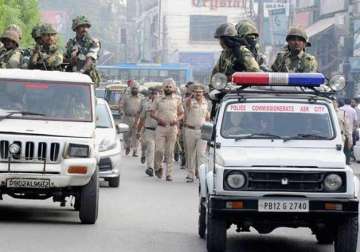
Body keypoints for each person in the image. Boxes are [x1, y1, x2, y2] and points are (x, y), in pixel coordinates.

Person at [151, 79, 184, 181]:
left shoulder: (177, 99)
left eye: (170, 87)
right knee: (159, 150)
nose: (168, 88)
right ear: (163, 88)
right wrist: (159, 119)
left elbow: (182, 113)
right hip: (161, 127)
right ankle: (158, 167)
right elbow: (151, 113)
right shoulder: (158, 99)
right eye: (166, 86)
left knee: (170, 152)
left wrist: (176, 120)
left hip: (172, 128)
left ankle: (169, 174)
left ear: (173, 88)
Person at [210, 23, 260, 89]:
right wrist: (212, 89)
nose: (220, 43)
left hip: (241, 91)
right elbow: (216, 73)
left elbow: (255, 71)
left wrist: (237, 77)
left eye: (221, 40)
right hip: (226, 89)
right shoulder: (225, 54)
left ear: (227, 40)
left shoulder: (243, 52)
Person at [183, 84, 210, 182]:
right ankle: (190, 175)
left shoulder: (205, 103)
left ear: (203, 93)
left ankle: (201, 174)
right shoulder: (189, 101)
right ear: (193, 93)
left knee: (201, 154)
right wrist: (191, 96)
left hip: (202, 131)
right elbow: (186, 104)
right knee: (190, 154)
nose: (198, 93)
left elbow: (207, 116)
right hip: (190, 130)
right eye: (196, 92)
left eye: (200, 92)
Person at [64, 16, 101, 86]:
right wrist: (71, 60)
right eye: (82, 27)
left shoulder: (93, 42)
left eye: (86, 27)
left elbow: (90, 59)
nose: (85, 29)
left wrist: (81, 72)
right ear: (76, 28)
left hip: (87, 77)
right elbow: (64, 59)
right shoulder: (71, 43)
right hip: (71, 77)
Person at [137, 87, 160, 176]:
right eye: (153, 94)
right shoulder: (147, 105)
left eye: (156, 95)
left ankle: (158, 167)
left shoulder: (162, 105)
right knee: (151, 148)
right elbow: (142, 119)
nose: (155, 97)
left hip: (160, 131)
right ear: (151, 96)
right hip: (149, 130)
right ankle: (150, 167)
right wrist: (138, 131)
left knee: (159, 150)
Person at [119, 81, 143, 156]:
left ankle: (135, 150)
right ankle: (127, 147)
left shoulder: (141, 98)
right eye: (133, 88)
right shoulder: (126, 97)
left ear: (138, 89)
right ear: (131, 89)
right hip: (127, 117)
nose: (135, 90)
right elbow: (121, 105)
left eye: (136, 88)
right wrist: (121, 111)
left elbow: (143, 108)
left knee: (136, 135)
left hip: (137, 118)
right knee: (126, 134)